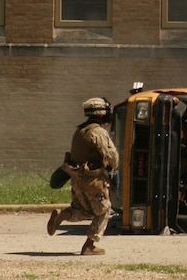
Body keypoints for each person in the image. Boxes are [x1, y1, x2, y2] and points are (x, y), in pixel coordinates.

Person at [47, 97, 119, 255]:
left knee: (84, 211)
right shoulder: (98, 132)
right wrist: (115, 166)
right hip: (94, 181)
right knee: (104, 211)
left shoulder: (80, 132)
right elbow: (111, 155)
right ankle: (89, 245)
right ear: (102, 113)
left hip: (77, 179)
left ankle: (63, 214)